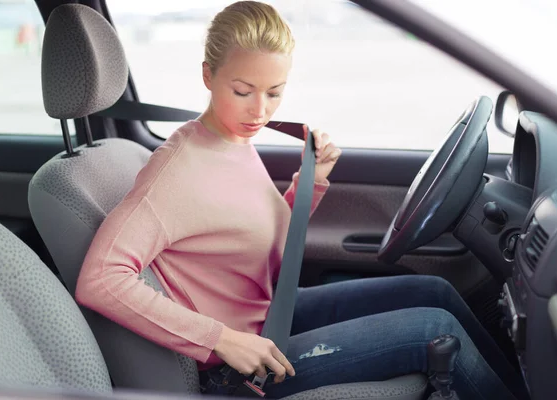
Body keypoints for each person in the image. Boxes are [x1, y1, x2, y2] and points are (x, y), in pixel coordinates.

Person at [75, 2, 529, 399]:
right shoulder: (174, 173)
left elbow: (263, 242)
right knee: (436, 330)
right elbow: (100, 278)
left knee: (435, 292)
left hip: (273, 314)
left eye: (274, 92)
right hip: (239, 366)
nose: (260, 111)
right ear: (208, 76)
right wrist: (220, 339)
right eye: (242, 90)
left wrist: (312, 181)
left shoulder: (233, 140)